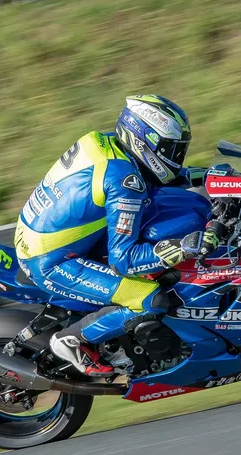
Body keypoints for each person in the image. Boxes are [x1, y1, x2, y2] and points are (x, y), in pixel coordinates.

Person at [14, 95, 218, 375]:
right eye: (170, 149)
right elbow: (125, 261)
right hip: (52, 261)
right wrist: (182, 247)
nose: (175, 157)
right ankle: (70, 341)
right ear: (143, 140)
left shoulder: (109, 145)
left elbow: (153, 177)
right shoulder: (124, 182)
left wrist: (204, 176)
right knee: (149, 299)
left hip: (45, 236)